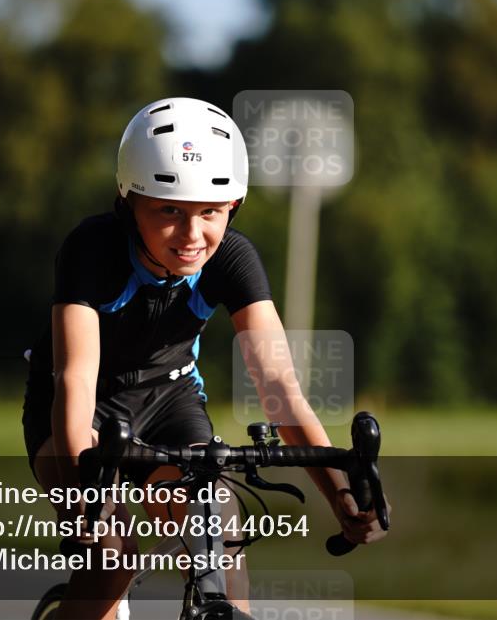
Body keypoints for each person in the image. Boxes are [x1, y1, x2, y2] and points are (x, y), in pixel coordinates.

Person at [22, 97, 388, 619]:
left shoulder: (234, 258)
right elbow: (76, 379)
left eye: (211, 213)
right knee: (113, 553)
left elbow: (280, 392)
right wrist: (88, 496)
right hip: (80, 406)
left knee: (217, 524)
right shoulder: (93, 249)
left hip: (169, 399)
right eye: (170, 211)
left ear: (233, 207)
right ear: (129, 203)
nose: (193, 237)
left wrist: (341, 496)